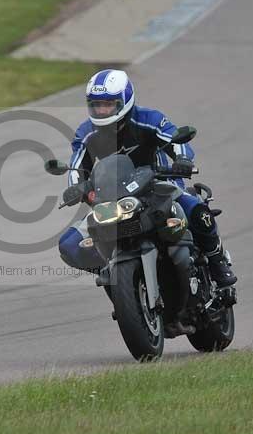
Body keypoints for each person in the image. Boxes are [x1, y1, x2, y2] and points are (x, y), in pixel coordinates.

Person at [58, 69, 238, 295]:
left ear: (125, 100)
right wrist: (75, 187)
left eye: (108, 104)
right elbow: (77, 166)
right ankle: (115, 274)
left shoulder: (149, 118)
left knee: (198, 211)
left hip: (159, 186)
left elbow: (175, 139)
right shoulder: (86, 132)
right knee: (69, 244)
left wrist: (182, 159)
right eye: (96, 105)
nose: (102, 110)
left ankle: (217, 260)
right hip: (114, 198)